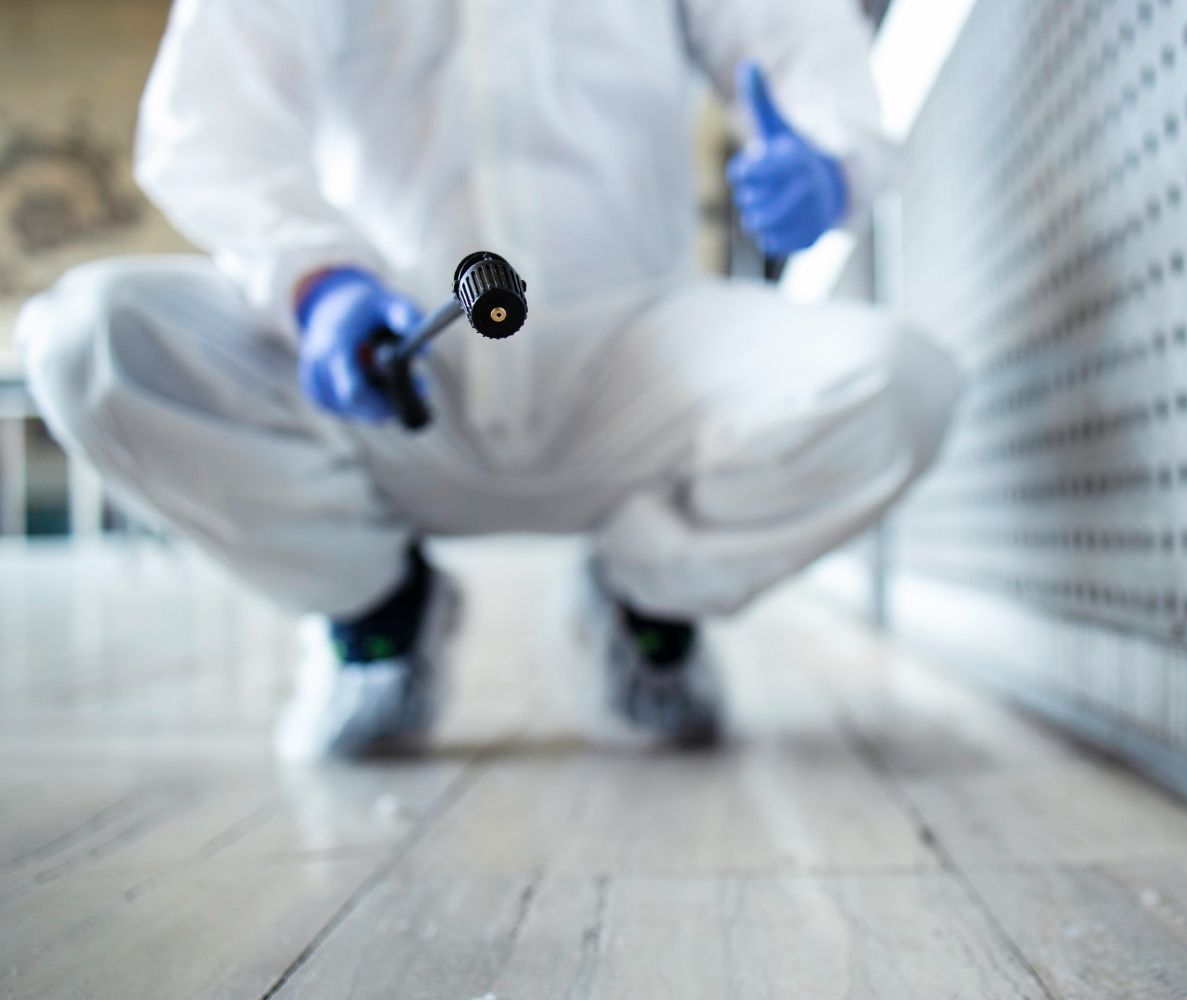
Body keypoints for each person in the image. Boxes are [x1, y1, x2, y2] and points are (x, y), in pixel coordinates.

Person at [19, 0, 959, 757]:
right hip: (389, 362)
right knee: (89, 340)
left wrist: (829, 165)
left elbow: (795, 39)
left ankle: (647, 604)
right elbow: (211, 124)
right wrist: (317, 281)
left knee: (899, 386)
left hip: (632, 364)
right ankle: (377, 610)